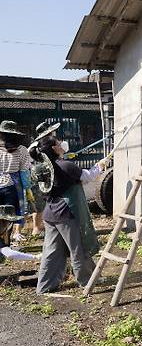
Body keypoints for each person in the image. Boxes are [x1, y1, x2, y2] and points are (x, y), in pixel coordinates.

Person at [30, 133, 105, 294]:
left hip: (50, 215)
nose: (62, 143)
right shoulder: (66, 165)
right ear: (55, 148)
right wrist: (100, 166)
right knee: (79, 248)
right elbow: (88, 176)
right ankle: (87, 281)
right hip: (67, 214)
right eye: (59, 142)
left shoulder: (46, 167)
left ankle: (45, 285)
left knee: (51, 252)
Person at [0, 120, 32, 242]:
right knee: (12, 212)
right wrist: (27, 187)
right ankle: (11, 235)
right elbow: (24, 172)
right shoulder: (22, 150)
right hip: (12, 185)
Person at [27, 122, 61, 237]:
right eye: (52, 131)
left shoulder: (50, 142)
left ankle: (44, 227)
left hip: (48, 174)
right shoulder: (36, 146)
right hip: (39, 175)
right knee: (38, 202)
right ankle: (36, 228)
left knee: (46, 201)